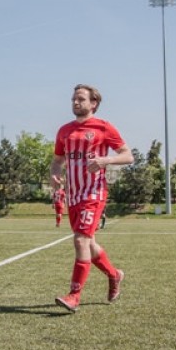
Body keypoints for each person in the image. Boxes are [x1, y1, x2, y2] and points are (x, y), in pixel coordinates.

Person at [50, 84, 133, 313]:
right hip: (73, 196)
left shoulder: (103, 127)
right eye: (73, 99)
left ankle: (74, 296)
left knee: (80, 241)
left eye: (80, 99)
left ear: (93, 103)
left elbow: (128, 156)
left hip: (94, 193)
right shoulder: (64, 131)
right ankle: (115, 275)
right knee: (90, 244)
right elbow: (57, 160)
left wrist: (105, 161)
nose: (75, 103)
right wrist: (54, 173)